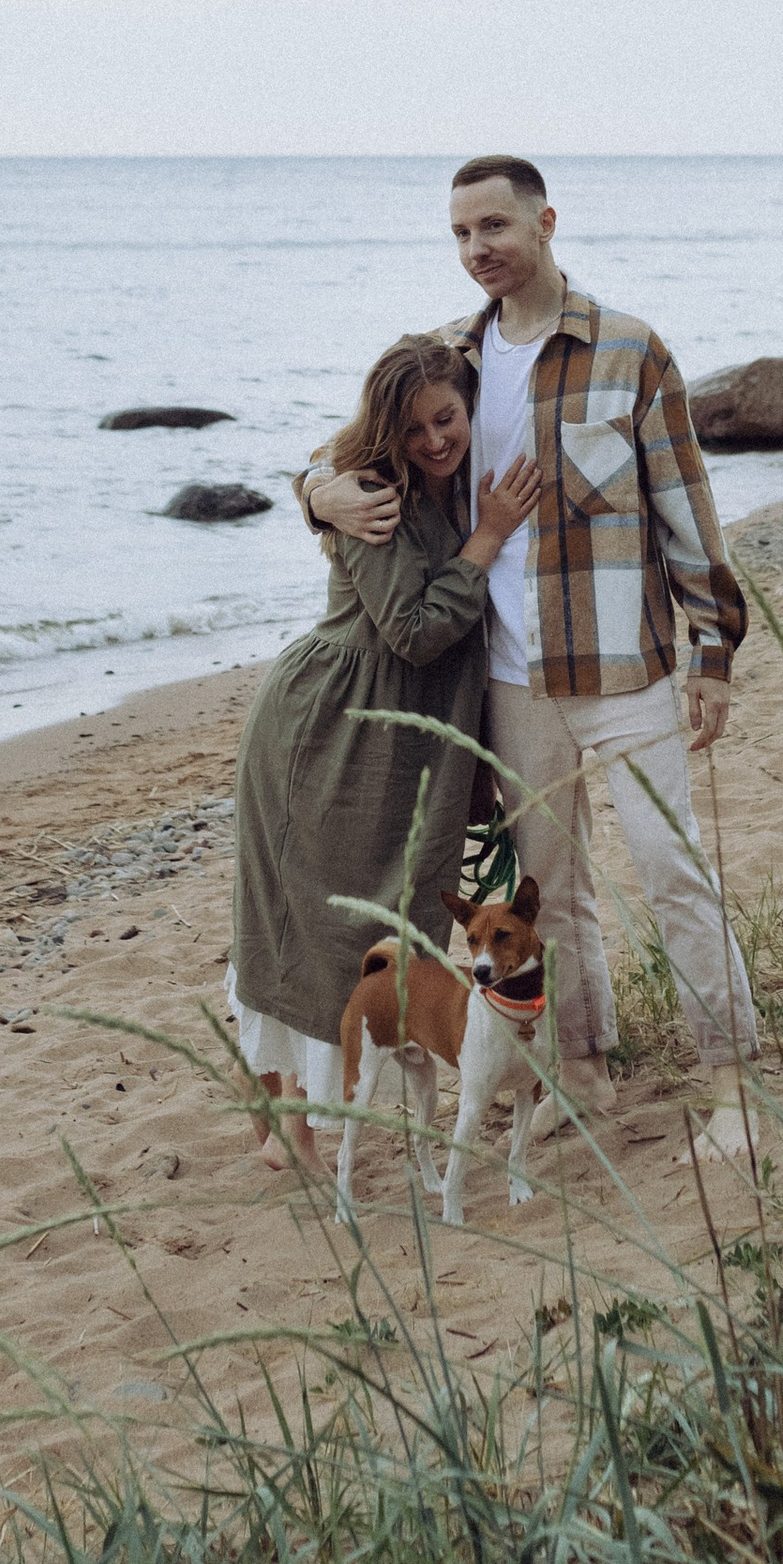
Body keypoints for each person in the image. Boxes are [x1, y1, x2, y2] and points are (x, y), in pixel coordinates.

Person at [302, 155, 761, 1168]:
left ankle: (732, 1090)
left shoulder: (629, 351)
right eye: (462, 233)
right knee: (552, 891)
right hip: (509, 683)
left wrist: (713, 651)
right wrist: (314, 490)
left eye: (496, 226)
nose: (479, 250)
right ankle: (582, 1073)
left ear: (545, 221)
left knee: (671, 870)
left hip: (623, 670)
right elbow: (360, 446)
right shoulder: (453, 360)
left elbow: (687, 507)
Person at [229, 333, 538, 1171]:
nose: (436, 440)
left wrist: (309, 490)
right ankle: (287, 1129)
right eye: (414, 430)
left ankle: (290, 1123)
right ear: (387, 433)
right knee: (313, 926)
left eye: (448, 418)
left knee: (368, 917)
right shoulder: (372, 492)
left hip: (398, 739)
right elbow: (414, 628)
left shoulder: (452, 478)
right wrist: (488, 537)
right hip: (329, 727)